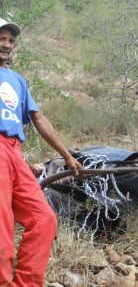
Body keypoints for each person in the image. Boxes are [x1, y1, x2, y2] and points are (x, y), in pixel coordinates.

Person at [0, 18, 83, 286]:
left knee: (43, 218)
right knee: (2, 229)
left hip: (14, 152)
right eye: (2, 38)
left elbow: (39, 119)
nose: (7, 44)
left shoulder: (17, 80)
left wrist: (67, 155)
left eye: (11, 40)